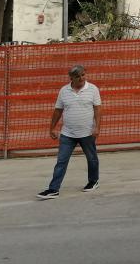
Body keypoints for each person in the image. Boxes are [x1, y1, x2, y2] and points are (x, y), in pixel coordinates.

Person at [36, 65, 102, 200]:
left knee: (92, 159)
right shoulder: (64, 91)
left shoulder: (93, 89)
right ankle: (53, 189)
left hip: (87, 133)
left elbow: (98, 109)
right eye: (78, 76)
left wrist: (97, 127)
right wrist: (52, 128)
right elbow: (58, 110)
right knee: (61, 161)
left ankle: (93, 181)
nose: (81, 78)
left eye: (83, 75)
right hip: (67, 134)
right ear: (71, 78)